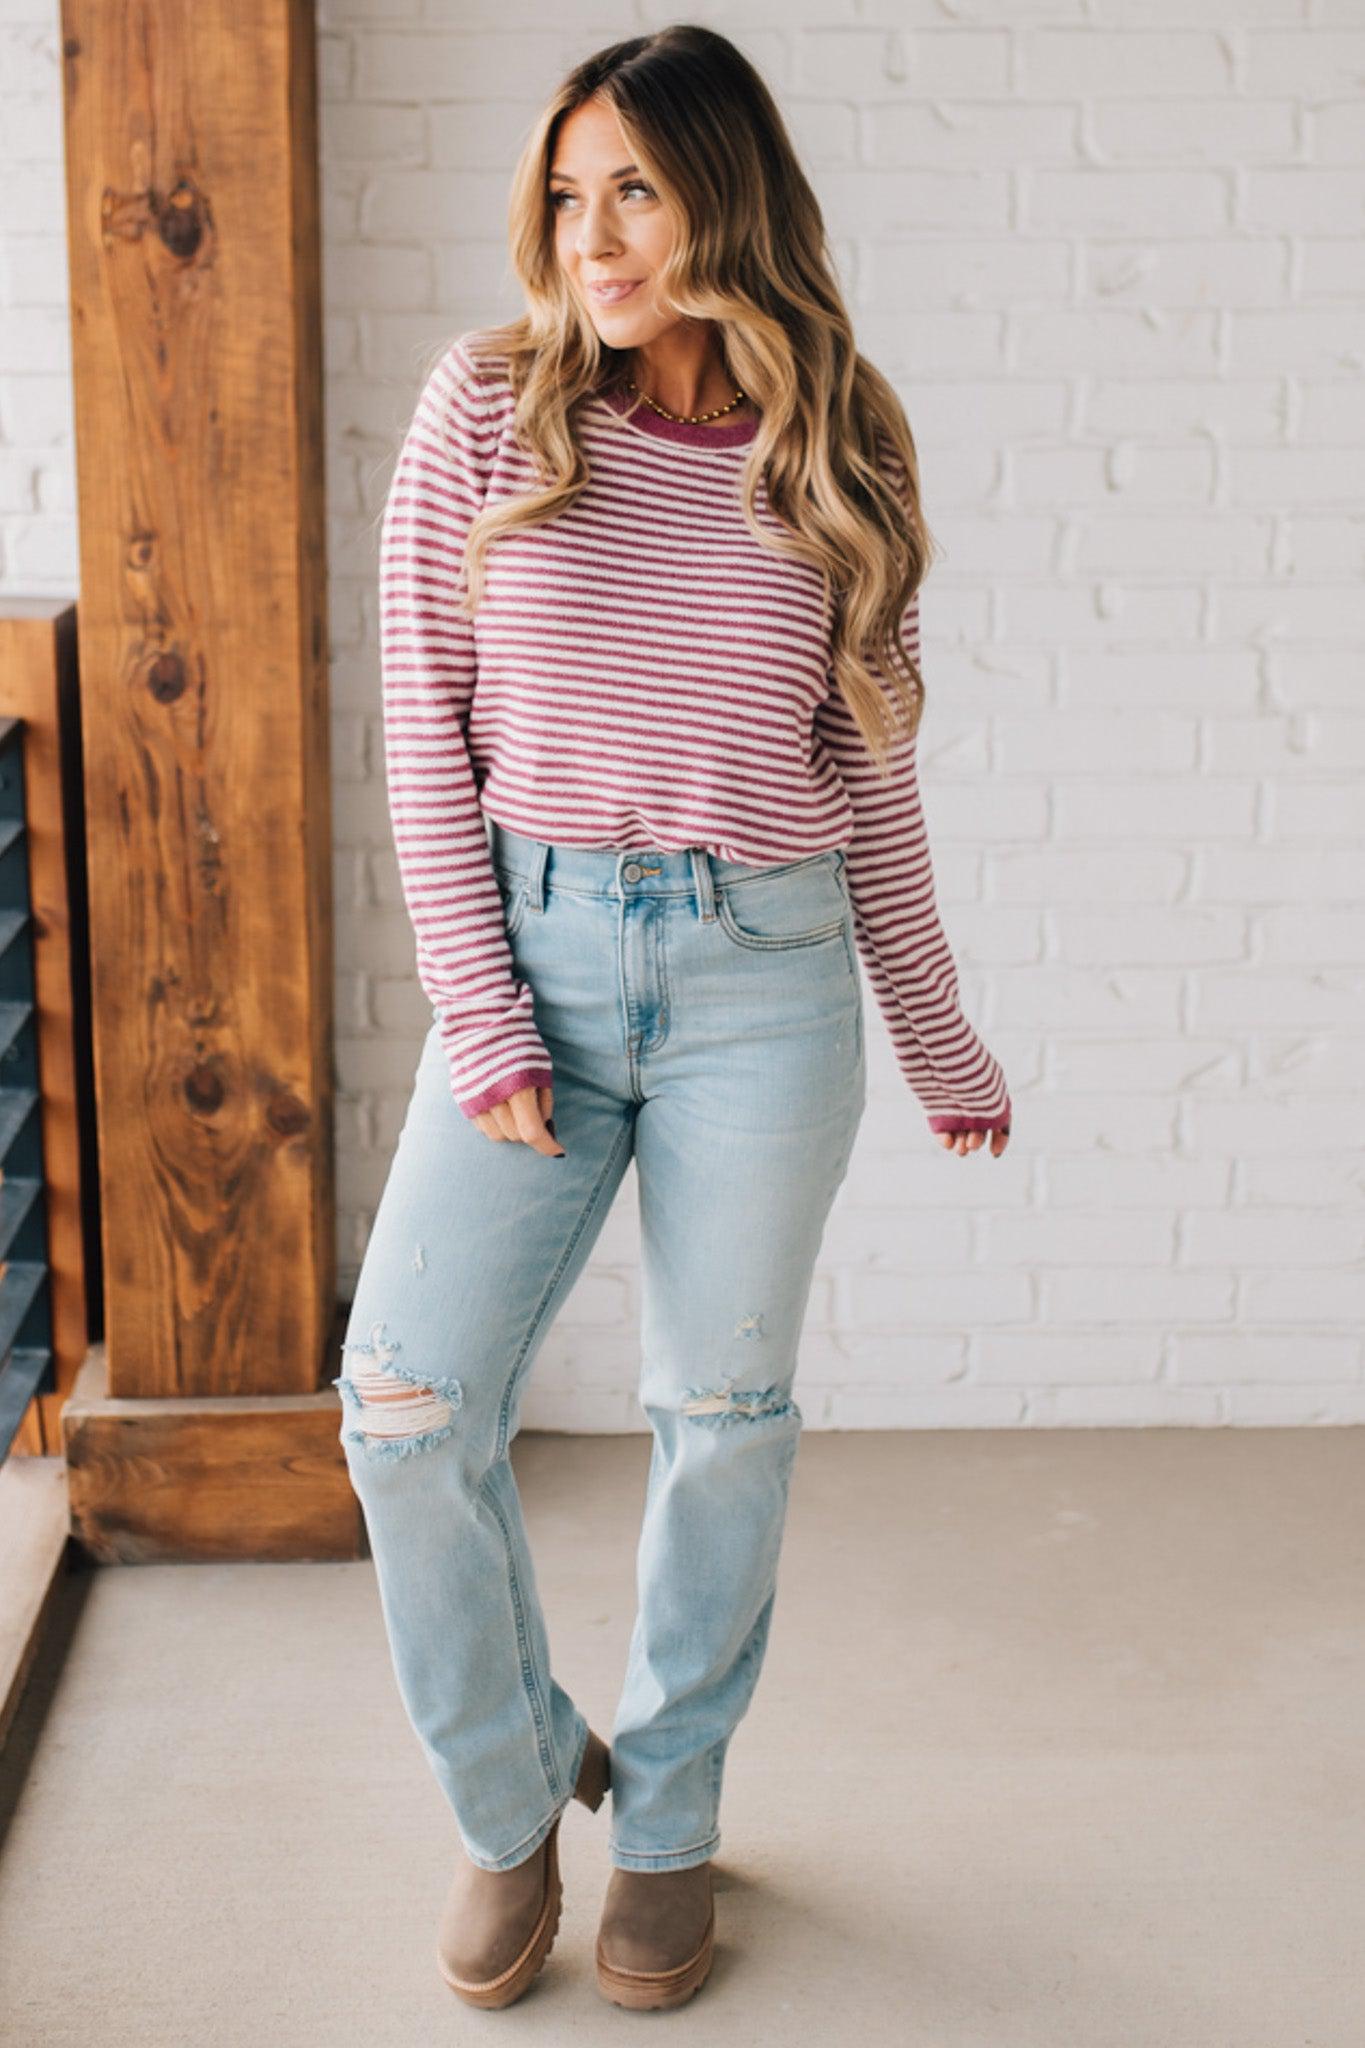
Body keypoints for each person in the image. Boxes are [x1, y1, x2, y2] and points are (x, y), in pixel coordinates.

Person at [335, 22, 1012, 2015]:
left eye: (630, 185)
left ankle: (667, 1825)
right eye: (565, 191)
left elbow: (868, 771)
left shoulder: (842, 439)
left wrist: (941, 1031)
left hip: (763, 981)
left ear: (729, 193)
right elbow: (421, 741)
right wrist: (486, 1019)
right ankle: (507, 1791)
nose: (590, 233)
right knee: (403, 1407)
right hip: (529, 950)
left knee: (718, 1421)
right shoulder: (485, 411)